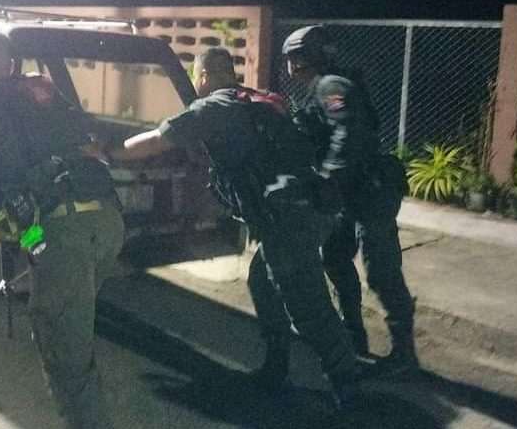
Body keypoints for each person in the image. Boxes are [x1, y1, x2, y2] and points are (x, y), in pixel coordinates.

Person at [110, 47, 362, 407]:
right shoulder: (259, 99)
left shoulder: (213, 106)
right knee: (262, 282)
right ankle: (277, 367)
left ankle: (348, 390)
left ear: (203, 76)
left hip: (287, 218)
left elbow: (155, 140)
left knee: (308, 307)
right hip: (308, 206)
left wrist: (109, 152)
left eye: (197, 76)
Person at [0, 29, 124, 429]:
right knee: (66, 314)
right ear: (11, 65)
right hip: (107, 221)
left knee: (63, 349)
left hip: (57, 232)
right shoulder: (45, 95)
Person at [281, 25, 418, 375]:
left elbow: (347, 131)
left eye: (292, 59)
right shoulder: (322, 86)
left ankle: (405, 356)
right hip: (352, 192)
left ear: (300, 59)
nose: (290, 66)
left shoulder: (331, 86)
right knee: (336, 256)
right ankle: (353, 334)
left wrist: (328, 176)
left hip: (370, 191)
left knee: (382, 272)